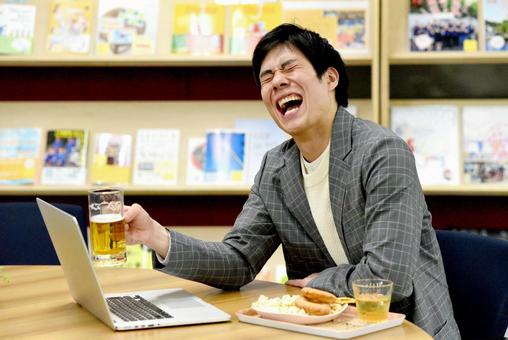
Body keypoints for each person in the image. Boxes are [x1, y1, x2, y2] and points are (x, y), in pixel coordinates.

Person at [124, 23, 460, 339]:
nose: (277, 82)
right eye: (266, 77)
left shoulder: (382, 152)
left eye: (289, 68)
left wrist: (321, 283)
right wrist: (157, 236)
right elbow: (239, 260)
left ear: (330, 78)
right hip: (322, 327)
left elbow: (389, 280)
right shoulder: (276, 166)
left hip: (403, 327)